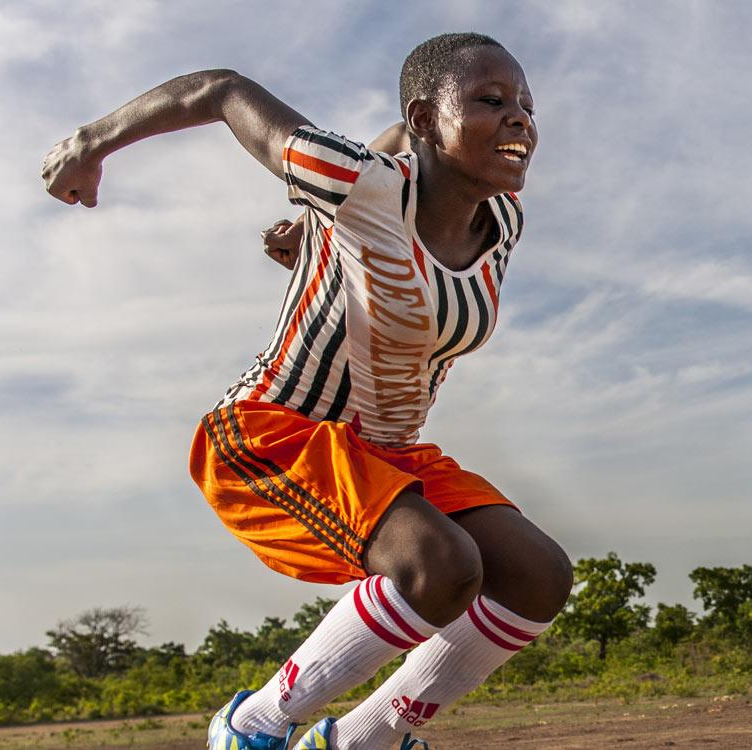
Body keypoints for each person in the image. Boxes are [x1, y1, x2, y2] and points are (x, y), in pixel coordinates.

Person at [41, 33, 571, 750]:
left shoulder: (503, 223)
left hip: (387, 453)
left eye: (526, 107)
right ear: (423, 118)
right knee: (440, 567)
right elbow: (223, 90)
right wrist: (90, 143)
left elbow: (401, 156)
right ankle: (252, 725)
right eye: (491, 100)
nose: (521, 119)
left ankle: (359, 741)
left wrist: (313, 223)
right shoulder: (357, 184)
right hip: (271, 433)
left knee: (539, 576)